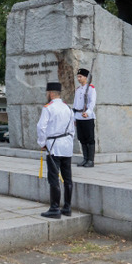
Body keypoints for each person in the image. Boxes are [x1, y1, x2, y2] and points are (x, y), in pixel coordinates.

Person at [37, 81, 75, 218]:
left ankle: (54, 208)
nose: (47, 95)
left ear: (51, 93)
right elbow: (72, 129)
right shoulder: (68, 108)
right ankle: (67, 207)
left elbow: (41, 127)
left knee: (54, 178)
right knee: (67, 178)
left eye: (47, 93)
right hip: (67, 146)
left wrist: (42, 142)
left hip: (54, 146)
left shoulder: (48, 108)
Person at [72, 69, 97, 167]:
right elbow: (75, 104)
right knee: (82, 138)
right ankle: (85, 158)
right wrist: (74, 118)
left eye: (80, 76)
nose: (78, 78)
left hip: (87, 117)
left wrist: (88, 112)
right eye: (78, 77)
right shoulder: (78, 90)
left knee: (89, 139)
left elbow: (92, 102)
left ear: (86, 77)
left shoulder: (91, 89)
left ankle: (90, 160)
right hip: (79, 116)